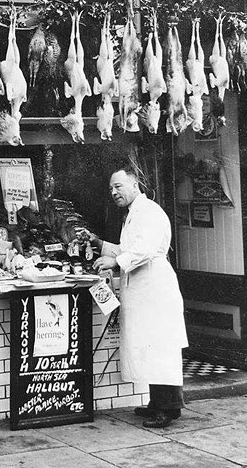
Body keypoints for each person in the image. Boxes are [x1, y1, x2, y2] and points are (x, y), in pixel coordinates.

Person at [92, 166, 188, 428]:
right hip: (143, 288)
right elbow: (129, 248)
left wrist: (114, 263)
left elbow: (144, 251)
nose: (114, 192)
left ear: (135, 185)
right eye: (111, 188)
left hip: (155, 288)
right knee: (149, 347)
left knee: (160, 348)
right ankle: (158, 403)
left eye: (118, 186)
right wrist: (101, 244)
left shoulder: (149, 212)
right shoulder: (134, 214)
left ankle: (168, 409)